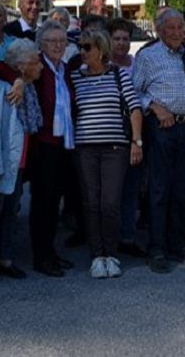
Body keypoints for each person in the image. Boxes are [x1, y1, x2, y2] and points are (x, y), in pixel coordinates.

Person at [0, 19, 76, 277]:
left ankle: (50, 250)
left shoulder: (64, 68)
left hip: (64, 143)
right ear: (41, 44)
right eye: (52, 41)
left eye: (62, 41)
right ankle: (41, 256)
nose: (58, 46)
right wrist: (18, 79)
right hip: (44, 145)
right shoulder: (35, 63)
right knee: (42, 202)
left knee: (54, 202)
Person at [71, 29, 143, 278]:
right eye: (80, 47)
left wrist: (136, 141)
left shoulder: (118, 75)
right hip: (85, 148)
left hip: (115, 147)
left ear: (100, 50)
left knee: (110, 203)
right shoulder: (75, 77)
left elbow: (134, 109)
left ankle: (111, 254)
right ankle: (96, 256)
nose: (82, 51)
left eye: (87, 47)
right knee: (91, 203)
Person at [132, 9, 185, 273]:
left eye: (180, 27)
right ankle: (156, 248)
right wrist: (154, 106)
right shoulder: (147, 56)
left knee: (181, 190)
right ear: (159, 31)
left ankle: (176, 244)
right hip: (160, 128)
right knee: (159, 190)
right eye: (170, 28)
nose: (176, 32)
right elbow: (134, 91)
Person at [0, 39, 43, 283]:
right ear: (23, 66)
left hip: (20, 163)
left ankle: (5, 259)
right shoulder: (1, 88)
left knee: (10, 213)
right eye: (37, 61)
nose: (42, 67)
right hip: (3, 162)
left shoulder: (28, 87)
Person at [108, 18, 146, 257]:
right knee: (111, 190)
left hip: (134, 130)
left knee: (132, 187)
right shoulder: (101, 65)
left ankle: (128, 236)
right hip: (110, 130)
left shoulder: (137, 65)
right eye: (117, 38)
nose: (122, 43)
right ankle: (109, 238)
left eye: (125, 39)